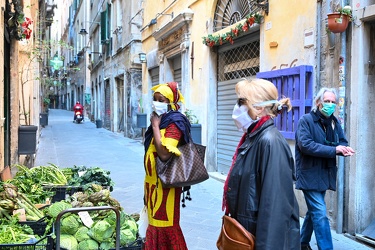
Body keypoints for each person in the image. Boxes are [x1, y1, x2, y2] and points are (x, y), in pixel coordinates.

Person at [222, 78, 300, 250]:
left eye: (241, 102)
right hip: (246, 233)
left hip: (256, 238)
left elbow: (275, 208)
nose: (236, 108)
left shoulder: (270, 142)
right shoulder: (253, 137)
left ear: (258, 108)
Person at [295, 87, 355, 250]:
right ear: (318, 102)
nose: (330, 104)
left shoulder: (334, 123)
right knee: (321, 214)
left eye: (333, 102)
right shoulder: (306, 120)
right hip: (309, 174)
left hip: (325, 173)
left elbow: (342, 141)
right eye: (326, 101)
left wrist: (344, 148)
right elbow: (306, 145)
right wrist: (334, 149)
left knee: (313, 212)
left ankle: (302, 242)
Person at [143, 82, 191, 250]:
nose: (156, 103)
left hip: (166, 187)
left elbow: (164, 154)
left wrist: (155, 126)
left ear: (170, 103)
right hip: (151, 186)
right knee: (154, 225)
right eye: (155, 99)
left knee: (164, 226)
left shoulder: (175, 123)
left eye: (161, 100)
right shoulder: (161, 122)